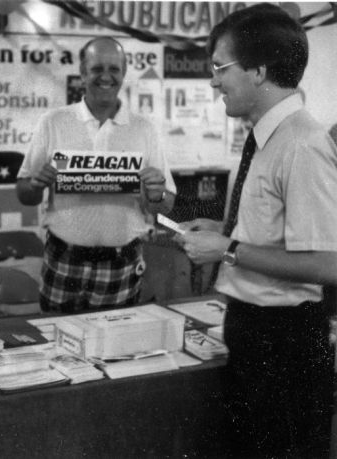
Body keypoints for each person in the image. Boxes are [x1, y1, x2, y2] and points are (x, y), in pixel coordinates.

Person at [176, 4, 337, 458]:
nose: (213, 81)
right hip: (253, 329)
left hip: (285, 341)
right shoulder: (265, 136)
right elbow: (272, 234)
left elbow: (327, 263)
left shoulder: (302, 145)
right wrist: (220, 229)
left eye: (220, 68)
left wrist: (226, 248)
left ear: (259, 71)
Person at [16, 36, 176, 314]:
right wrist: (35, 183)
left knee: (116, 350)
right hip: (63, 259)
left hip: (121, 264)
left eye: (114, 69)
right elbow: (24, 194)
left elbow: (165, 204)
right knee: (57, 347)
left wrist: (156, 192)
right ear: (82, 72)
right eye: (97, 68)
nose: (106, 76)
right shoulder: (53, 122)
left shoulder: (144, 128)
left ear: (124, 73)